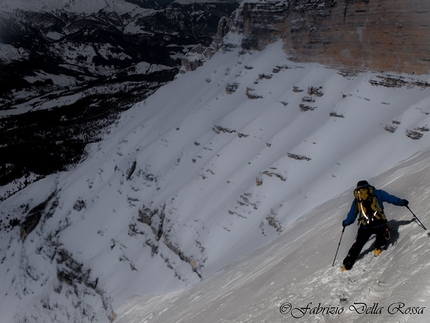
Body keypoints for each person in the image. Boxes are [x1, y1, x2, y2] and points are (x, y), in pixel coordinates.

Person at [341, 180, 408, 271]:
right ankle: (378, 247)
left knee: (359, 243)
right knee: (382, 231)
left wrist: (345, 223)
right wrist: (402, 202)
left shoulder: (358, 199)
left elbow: (352, 217)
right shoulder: (378, 193)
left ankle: (347, 263)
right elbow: (392, 199)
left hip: (365, 226)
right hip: (379, 223)